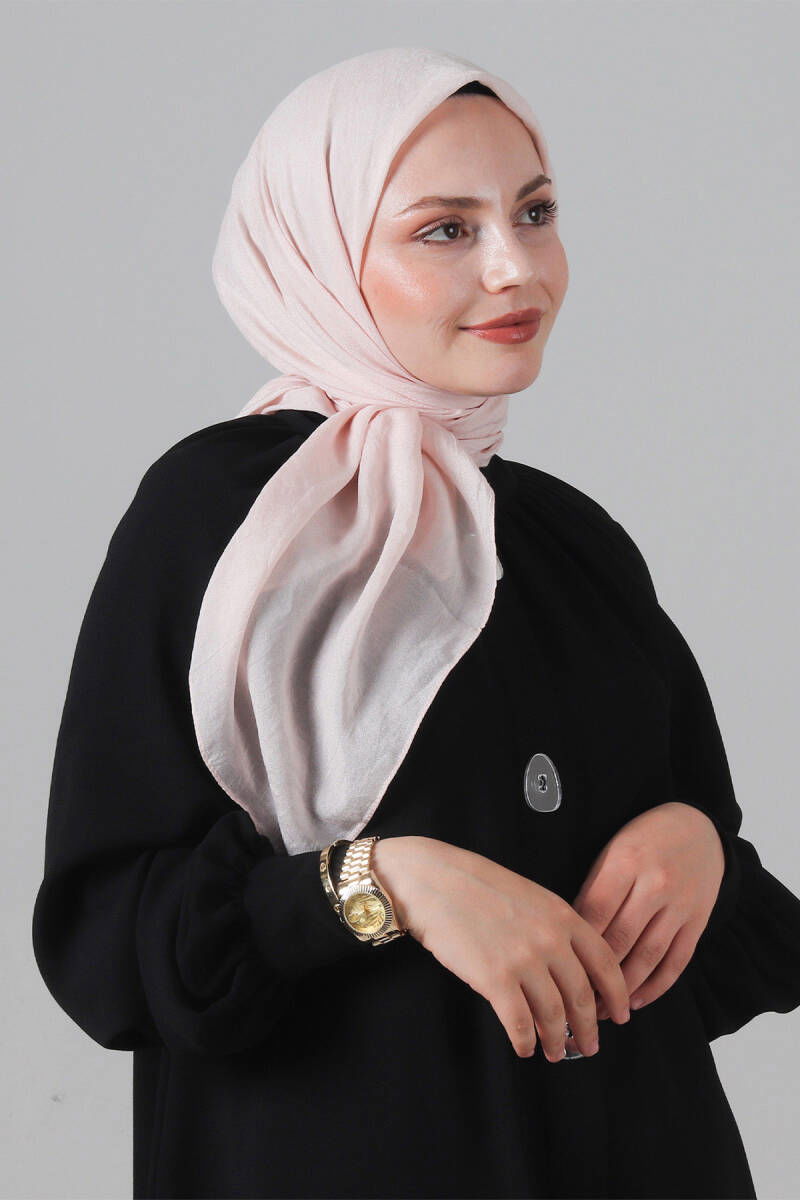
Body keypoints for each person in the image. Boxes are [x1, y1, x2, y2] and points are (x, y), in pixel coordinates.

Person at [31, 45, 800, 1200]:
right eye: (444, 229)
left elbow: (713, 922)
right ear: (318, 254)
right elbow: (114, 943)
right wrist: (383, 885)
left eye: (534, 213)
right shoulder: (221, 522)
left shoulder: (569, 542)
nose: (513, 267)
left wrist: (696, 849)